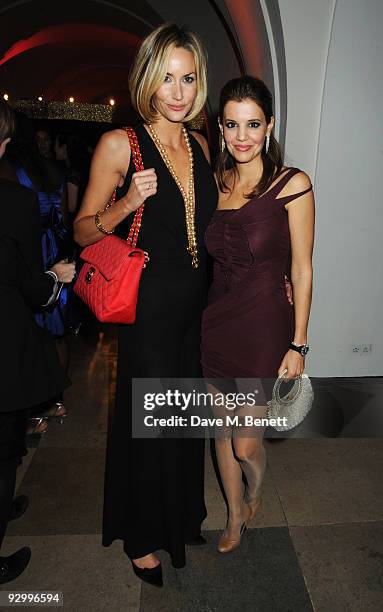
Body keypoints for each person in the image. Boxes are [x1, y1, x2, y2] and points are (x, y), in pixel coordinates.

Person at [74, 23, 217, 587]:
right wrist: (127, 200)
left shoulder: (202, 143)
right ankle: (141, 535)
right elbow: (83, 229)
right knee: (150, 423)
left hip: (195, 309)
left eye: (188, 79)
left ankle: (179, 514)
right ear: (147, 81)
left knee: (183, 422)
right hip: (149, 308)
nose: (178, 92)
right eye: (167, 79)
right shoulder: (120, 144)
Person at [201, 76, 315, 553]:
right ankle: (232, 516)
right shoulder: (214, 183)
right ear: (221, 128)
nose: (242, 136)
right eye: (232, 124)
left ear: (268, 126)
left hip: (266, 325)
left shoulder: (293, 184)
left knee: (246, 443)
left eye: (252, 124)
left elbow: (303, 268)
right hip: (214, 323)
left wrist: (299, 343)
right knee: (220, 432)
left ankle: (255, 489)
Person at [0, 100, 76, 583]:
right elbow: (30, 287)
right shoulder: (14, 201)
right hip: (4, 344)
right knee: (5, 450)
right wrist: (56, 275)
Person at [0, 113, 72, 431]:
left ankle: (40, 404)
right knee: (51, 327)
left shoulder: (15, 174)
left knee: (36, 327)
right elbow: (65, 217)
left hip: (32, 250)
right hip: (48, 249)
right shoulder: (50, 171)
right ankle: (50, 399)